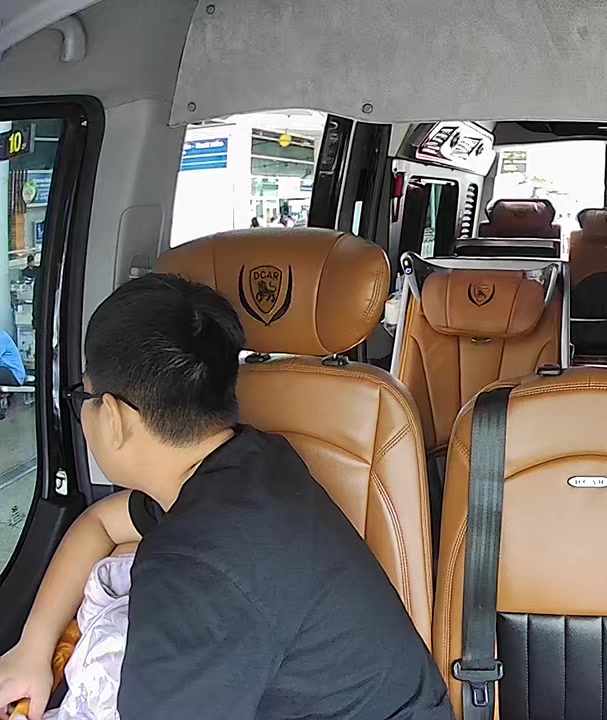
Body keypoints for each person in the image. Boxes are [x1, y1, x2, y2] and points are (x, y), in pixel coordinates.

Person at [0, 274, 452, 720]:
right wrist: (32, 649)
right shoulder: (250, 461)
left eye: (86, 396)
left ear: (115, 417)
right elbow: (100, 523)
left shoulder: (194, 578)